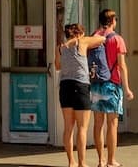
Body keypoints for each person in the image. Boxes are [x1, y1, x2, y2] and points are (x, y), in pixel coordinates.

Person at [53, 23, 107, 167]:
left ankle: (71, 162)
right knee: (82, 127)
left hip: (65, 86)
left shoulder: (60, 47)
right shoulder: (81, 42)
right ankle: (82, 163)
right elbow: (102, 39)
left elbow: (57, 66)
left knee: (68, 127)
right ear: (79, 34)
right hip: (80, 86)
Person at [88, 9, 131, 167]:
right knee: (112, 123)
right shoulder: (117, 39)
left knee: (98, 123)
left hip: (96, 83)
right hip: (112, 84)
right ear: (113, 21)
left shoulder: (94, 36)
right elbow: (122, 65)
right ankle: (111, 160)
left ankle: (101, 160)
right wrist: (127, 88)